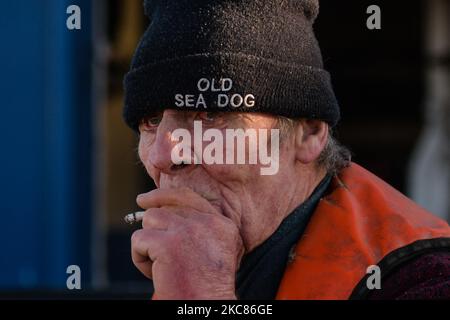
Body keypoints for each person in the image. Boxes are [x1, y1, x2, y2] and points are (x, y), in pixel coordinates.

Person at [122, 0, 450, 299]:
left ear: (308, 133)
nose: (161, 157)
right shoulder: (164, 263)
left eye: (209, 115)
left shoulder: (424, 280)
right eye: (151, 121)